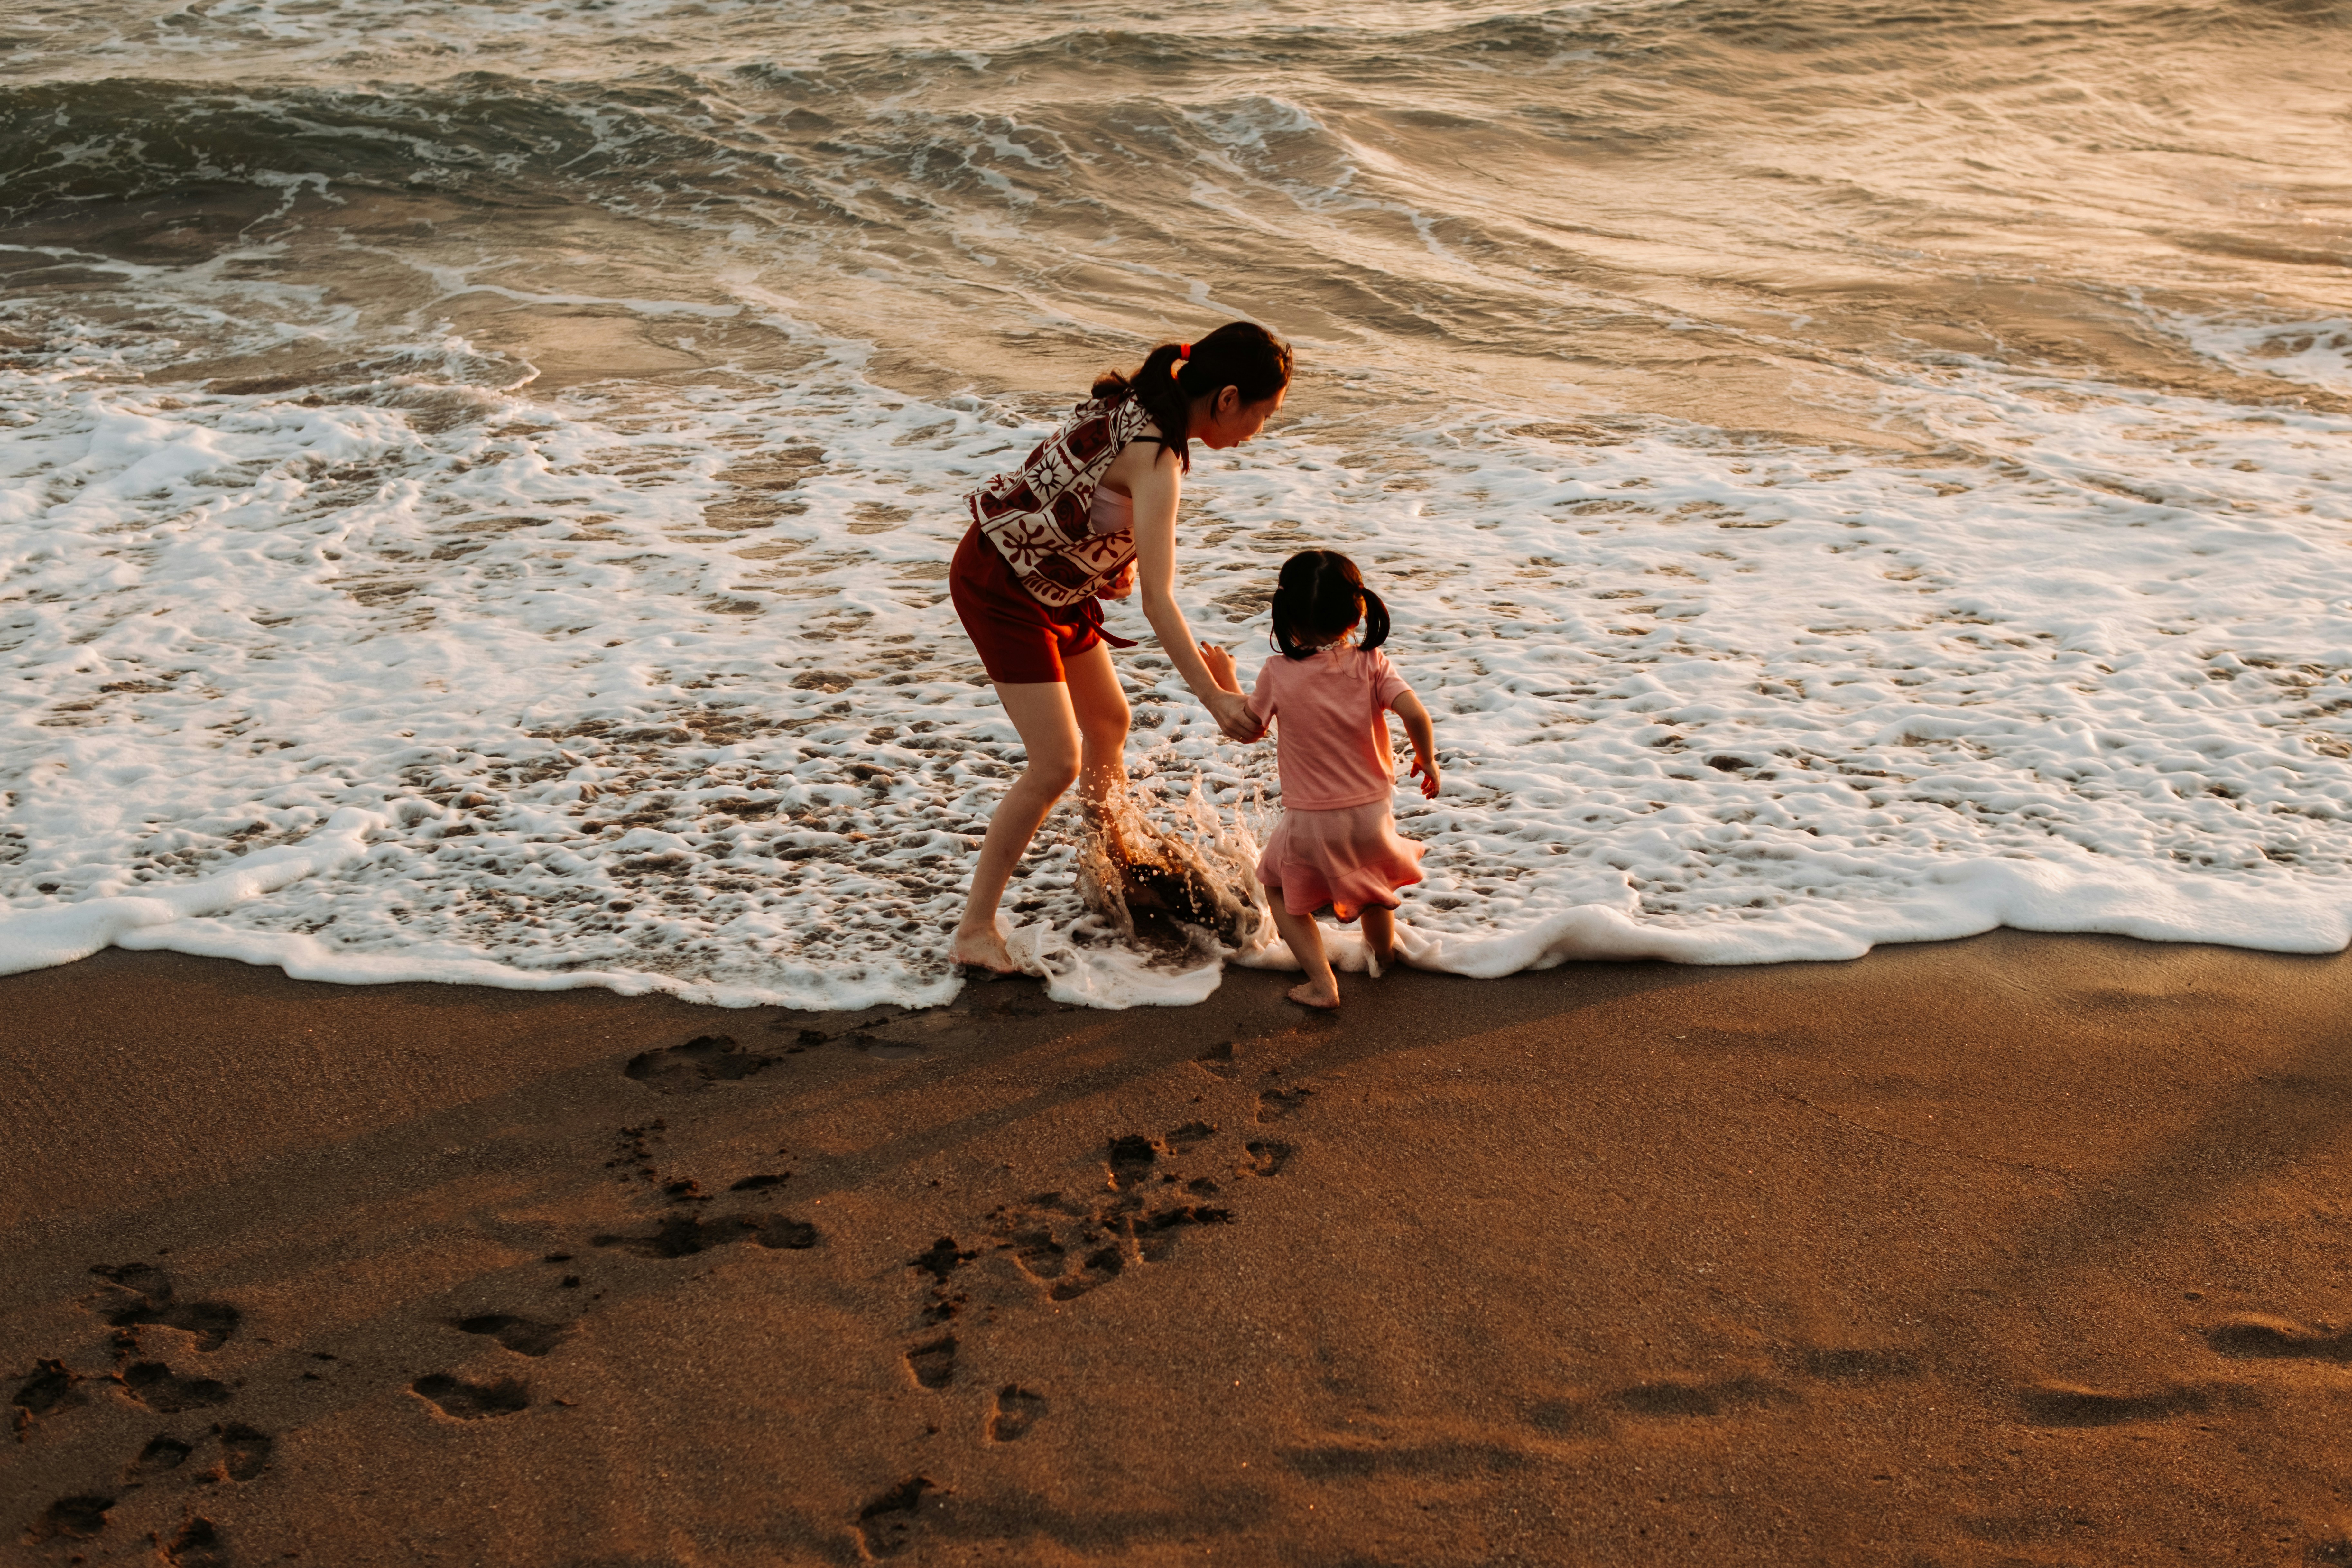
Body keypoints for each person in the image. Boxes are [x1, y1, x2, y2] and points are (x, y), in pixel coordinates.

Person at [949, 321, 1293, 973]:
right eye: (1262, 414)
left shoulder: (1139, 402)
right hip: (1003, 584)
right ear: (1226, 399)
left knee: (1110, 720)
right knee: (1056, 763)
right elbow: (1158, 601)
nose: (1259, 430)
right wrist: (1215, 698)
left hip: (1053, 583)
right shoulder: (1156, 456)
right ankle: (975, 928)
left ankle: (1112, 865)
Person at [1200, 550, 1438, 1009]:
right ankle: (1383, 955)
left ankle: (1322, 984)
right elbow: (1414, 711)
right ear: (1357, 611)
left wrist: (1225, 679)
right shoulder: (1372, 663)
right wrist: (1426, 760)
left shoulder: (1278, 672)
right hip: (1373, 809)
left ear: (1285, 614)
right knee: (1371, 883)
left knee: (1277, 887)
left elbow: (1249, 728)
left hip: (1312, 815)